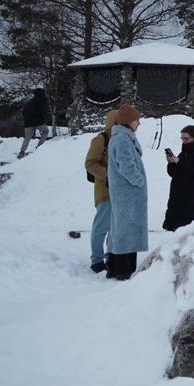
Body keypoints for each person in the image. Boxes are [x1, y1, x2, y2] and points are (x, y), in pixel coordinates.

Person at [106, 105, 148, 280]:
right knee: (126, 230)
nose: (138, 123)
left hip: (126, 193)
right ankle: (123, 270)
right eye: (136, 120)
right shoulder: (122, 139)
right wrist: (139, 180)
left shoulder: (123, 137)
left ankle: (115, 267)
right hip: (128, 193)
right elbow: (126, 165)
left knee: (122, 229)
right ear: (129, 121)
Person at [83, 109, 118, 273]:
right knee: (101, 227)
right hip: (104, 191)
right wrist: (108, 175)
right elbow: (90, 163)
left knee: (115, 227)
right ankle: (96, 260)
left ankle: (110, 257)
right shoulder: (100, 140)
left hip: (120, 193)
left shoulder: (122, 140)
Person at [163, 124, 194, 232]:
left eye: (186, 138)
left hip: (193, 197)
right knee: (174, 230)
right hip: (178, 197)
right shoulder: (184, 151)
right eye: (182, 138)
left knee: (189, 231)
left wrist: (179, 162)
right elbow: (173, 173)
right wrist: (171, 163)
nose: (183, 141)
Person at [17, 88, 50, 158]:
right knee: (46, 131)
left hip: (28, 122)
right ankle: (39, 148)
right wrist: (43, 119)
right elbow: (41, 112)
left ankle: (22, 152)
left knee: (27, 137)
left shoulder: (30, 101)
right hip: (38, 121)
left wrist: (27, 119)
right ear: (42, 93)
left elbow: (23, 112)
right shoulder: (42, 101)